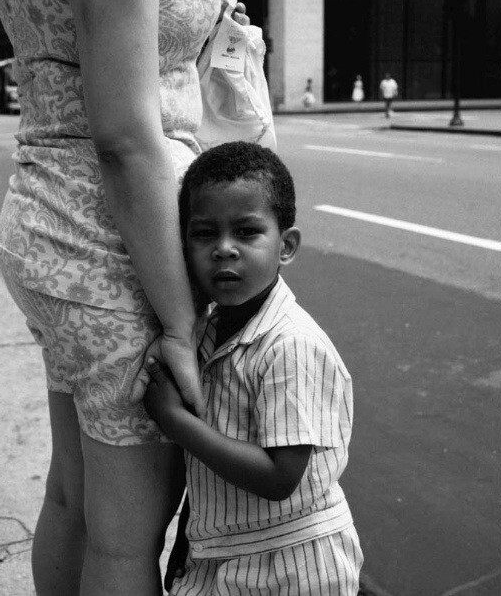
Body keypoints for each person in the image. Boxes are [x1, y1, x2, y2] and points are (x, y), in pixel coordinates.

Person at [0, 0, 249, 595]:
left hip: (57, 221)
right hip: (113, 243)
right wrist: (182, 325)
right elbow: (126, 140)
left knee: (75, 498)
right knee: (127, 538)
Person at [144, 141, 363, 595]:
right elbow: (206, 474)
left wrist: (173, 419)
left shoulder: (290, 345)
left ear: (286, 246)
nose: (224, 250)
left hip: (294, 564)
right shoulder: (204, 333)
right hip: (219, 555)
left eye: (246, 232)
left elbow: (279, 477)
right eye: (204, 234)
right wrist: (188, 545)